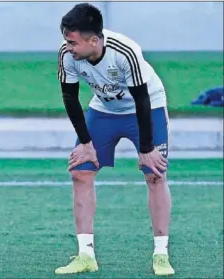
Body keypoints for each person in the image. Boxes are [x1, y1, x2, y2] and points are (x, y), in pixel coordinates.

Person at [55, 3, 174, 276]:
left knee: (155, 174)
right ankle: (86, 255)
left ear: (93, 40)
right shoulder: (67, 54)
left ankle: (161, 254)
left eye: (72, 41)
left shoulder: (125, 52)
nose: (67, 47)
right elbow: (70, 98)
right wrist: (86, 144)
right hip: (104, 109)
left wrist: (146, 148)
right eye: (65, 40)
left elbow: (142, 99)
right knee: (80, 172)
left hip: (146, 108)